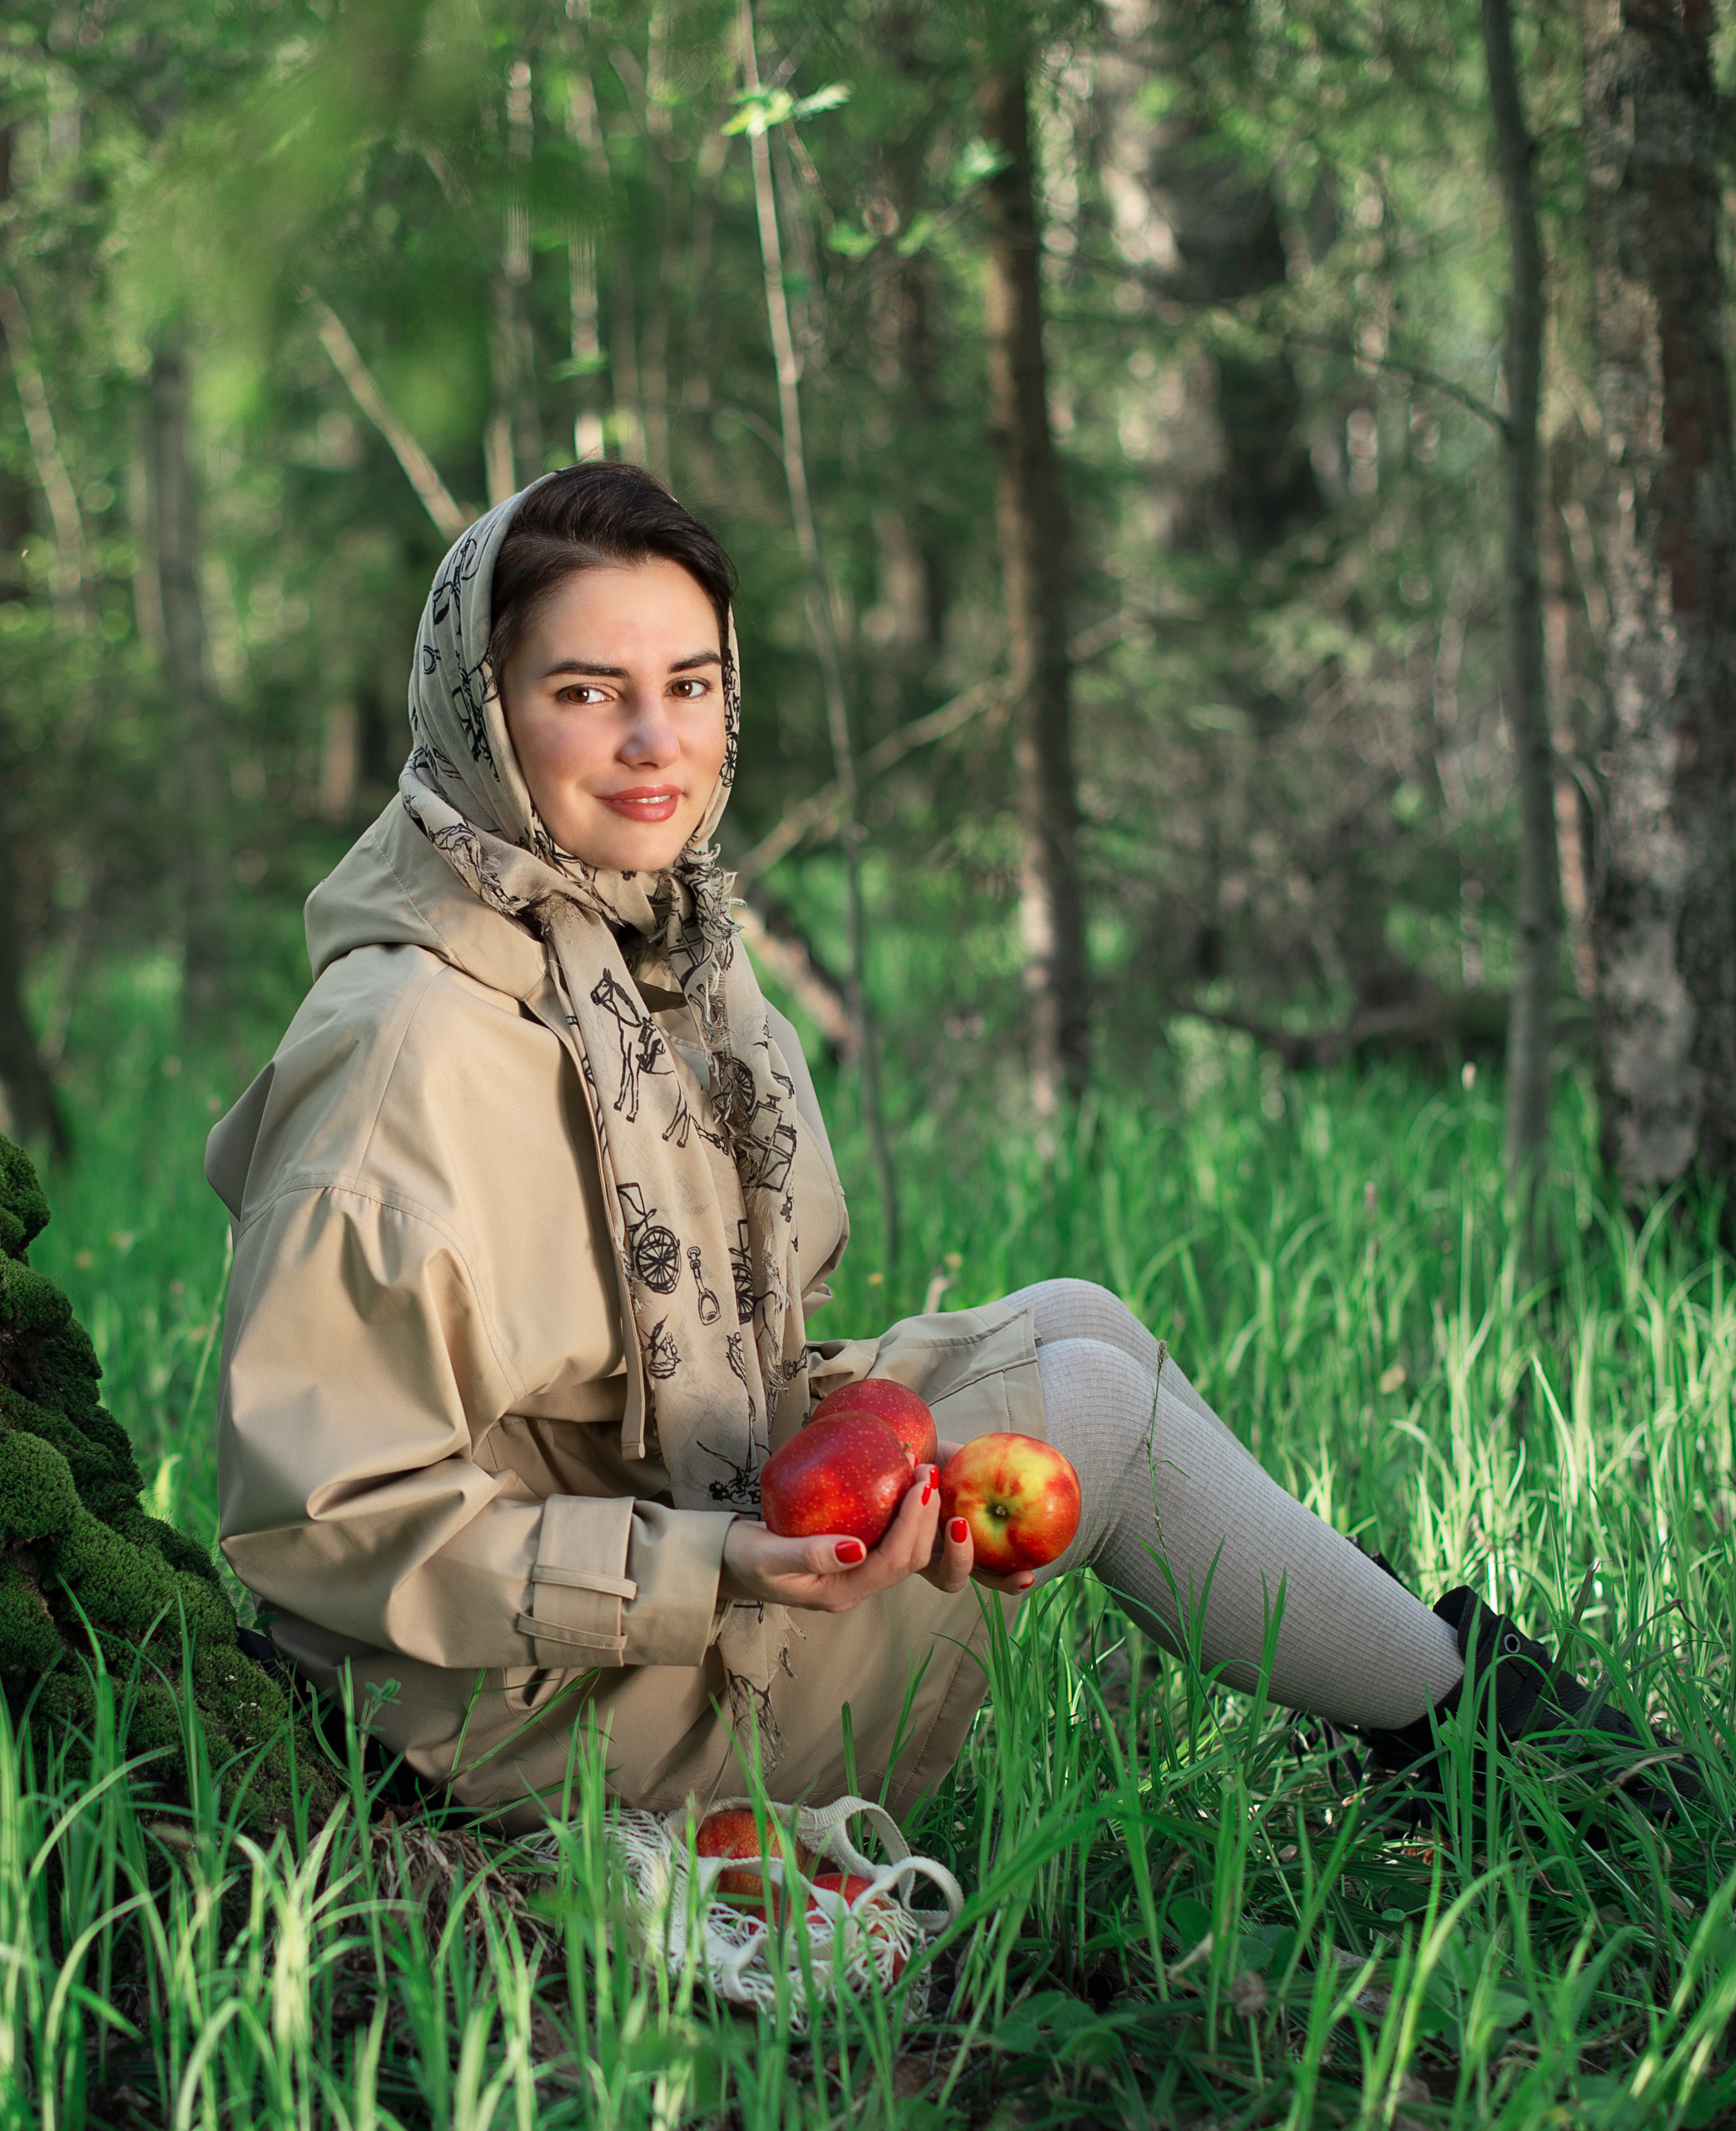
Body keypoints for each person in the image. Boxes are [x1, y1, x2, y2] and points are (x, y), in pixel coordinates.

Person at [206, 463, 1690, 1829]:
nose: (658, 742)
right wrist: (706, 1566)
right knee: (1089, 1418)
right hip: (513, 1726)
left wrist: (847, 1483)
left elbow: (677, 1381)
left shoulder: (659, 960)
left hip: (645, 1586)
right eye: (589, 691)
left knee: (1075, 1330)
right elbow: (318, 1525)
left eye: (692, 683)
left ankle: (1421, 1706)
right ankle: (1537, 1768)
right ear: (479, 707)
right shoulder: (410, 1045)